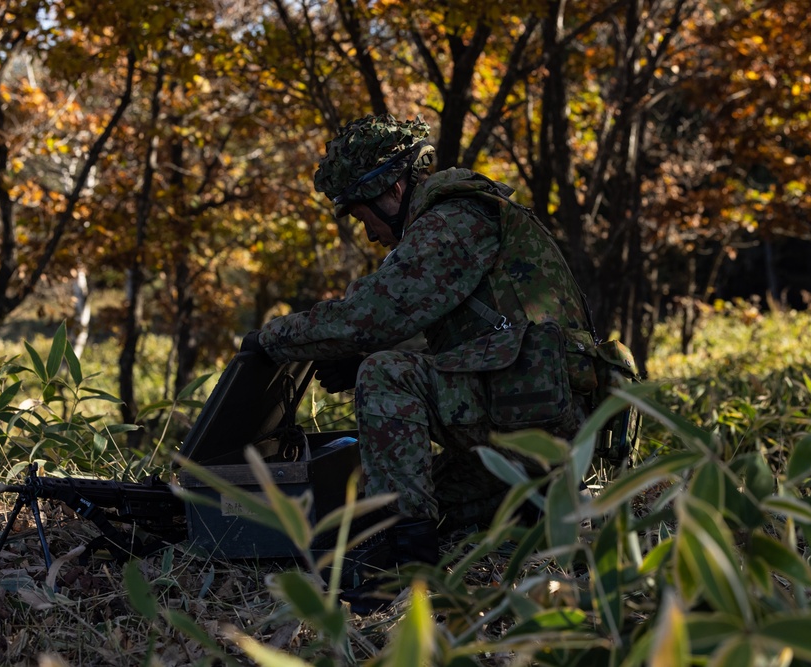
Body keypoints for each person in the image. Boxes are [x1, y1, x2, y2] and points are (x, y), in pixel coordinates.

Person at [240, 114, 599, 591]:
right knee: (434, 502)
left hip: (539, 421)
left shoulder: (453, 219)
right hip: (534, 422)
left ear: (391, 187)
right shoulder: (466, 217)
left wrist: (270, 339)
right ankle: (531, 512)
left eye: (360, 212)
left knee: (386, 375)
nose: (368, 232)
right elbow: (457, 336)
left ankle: (403, 567)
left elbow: (372, 315)